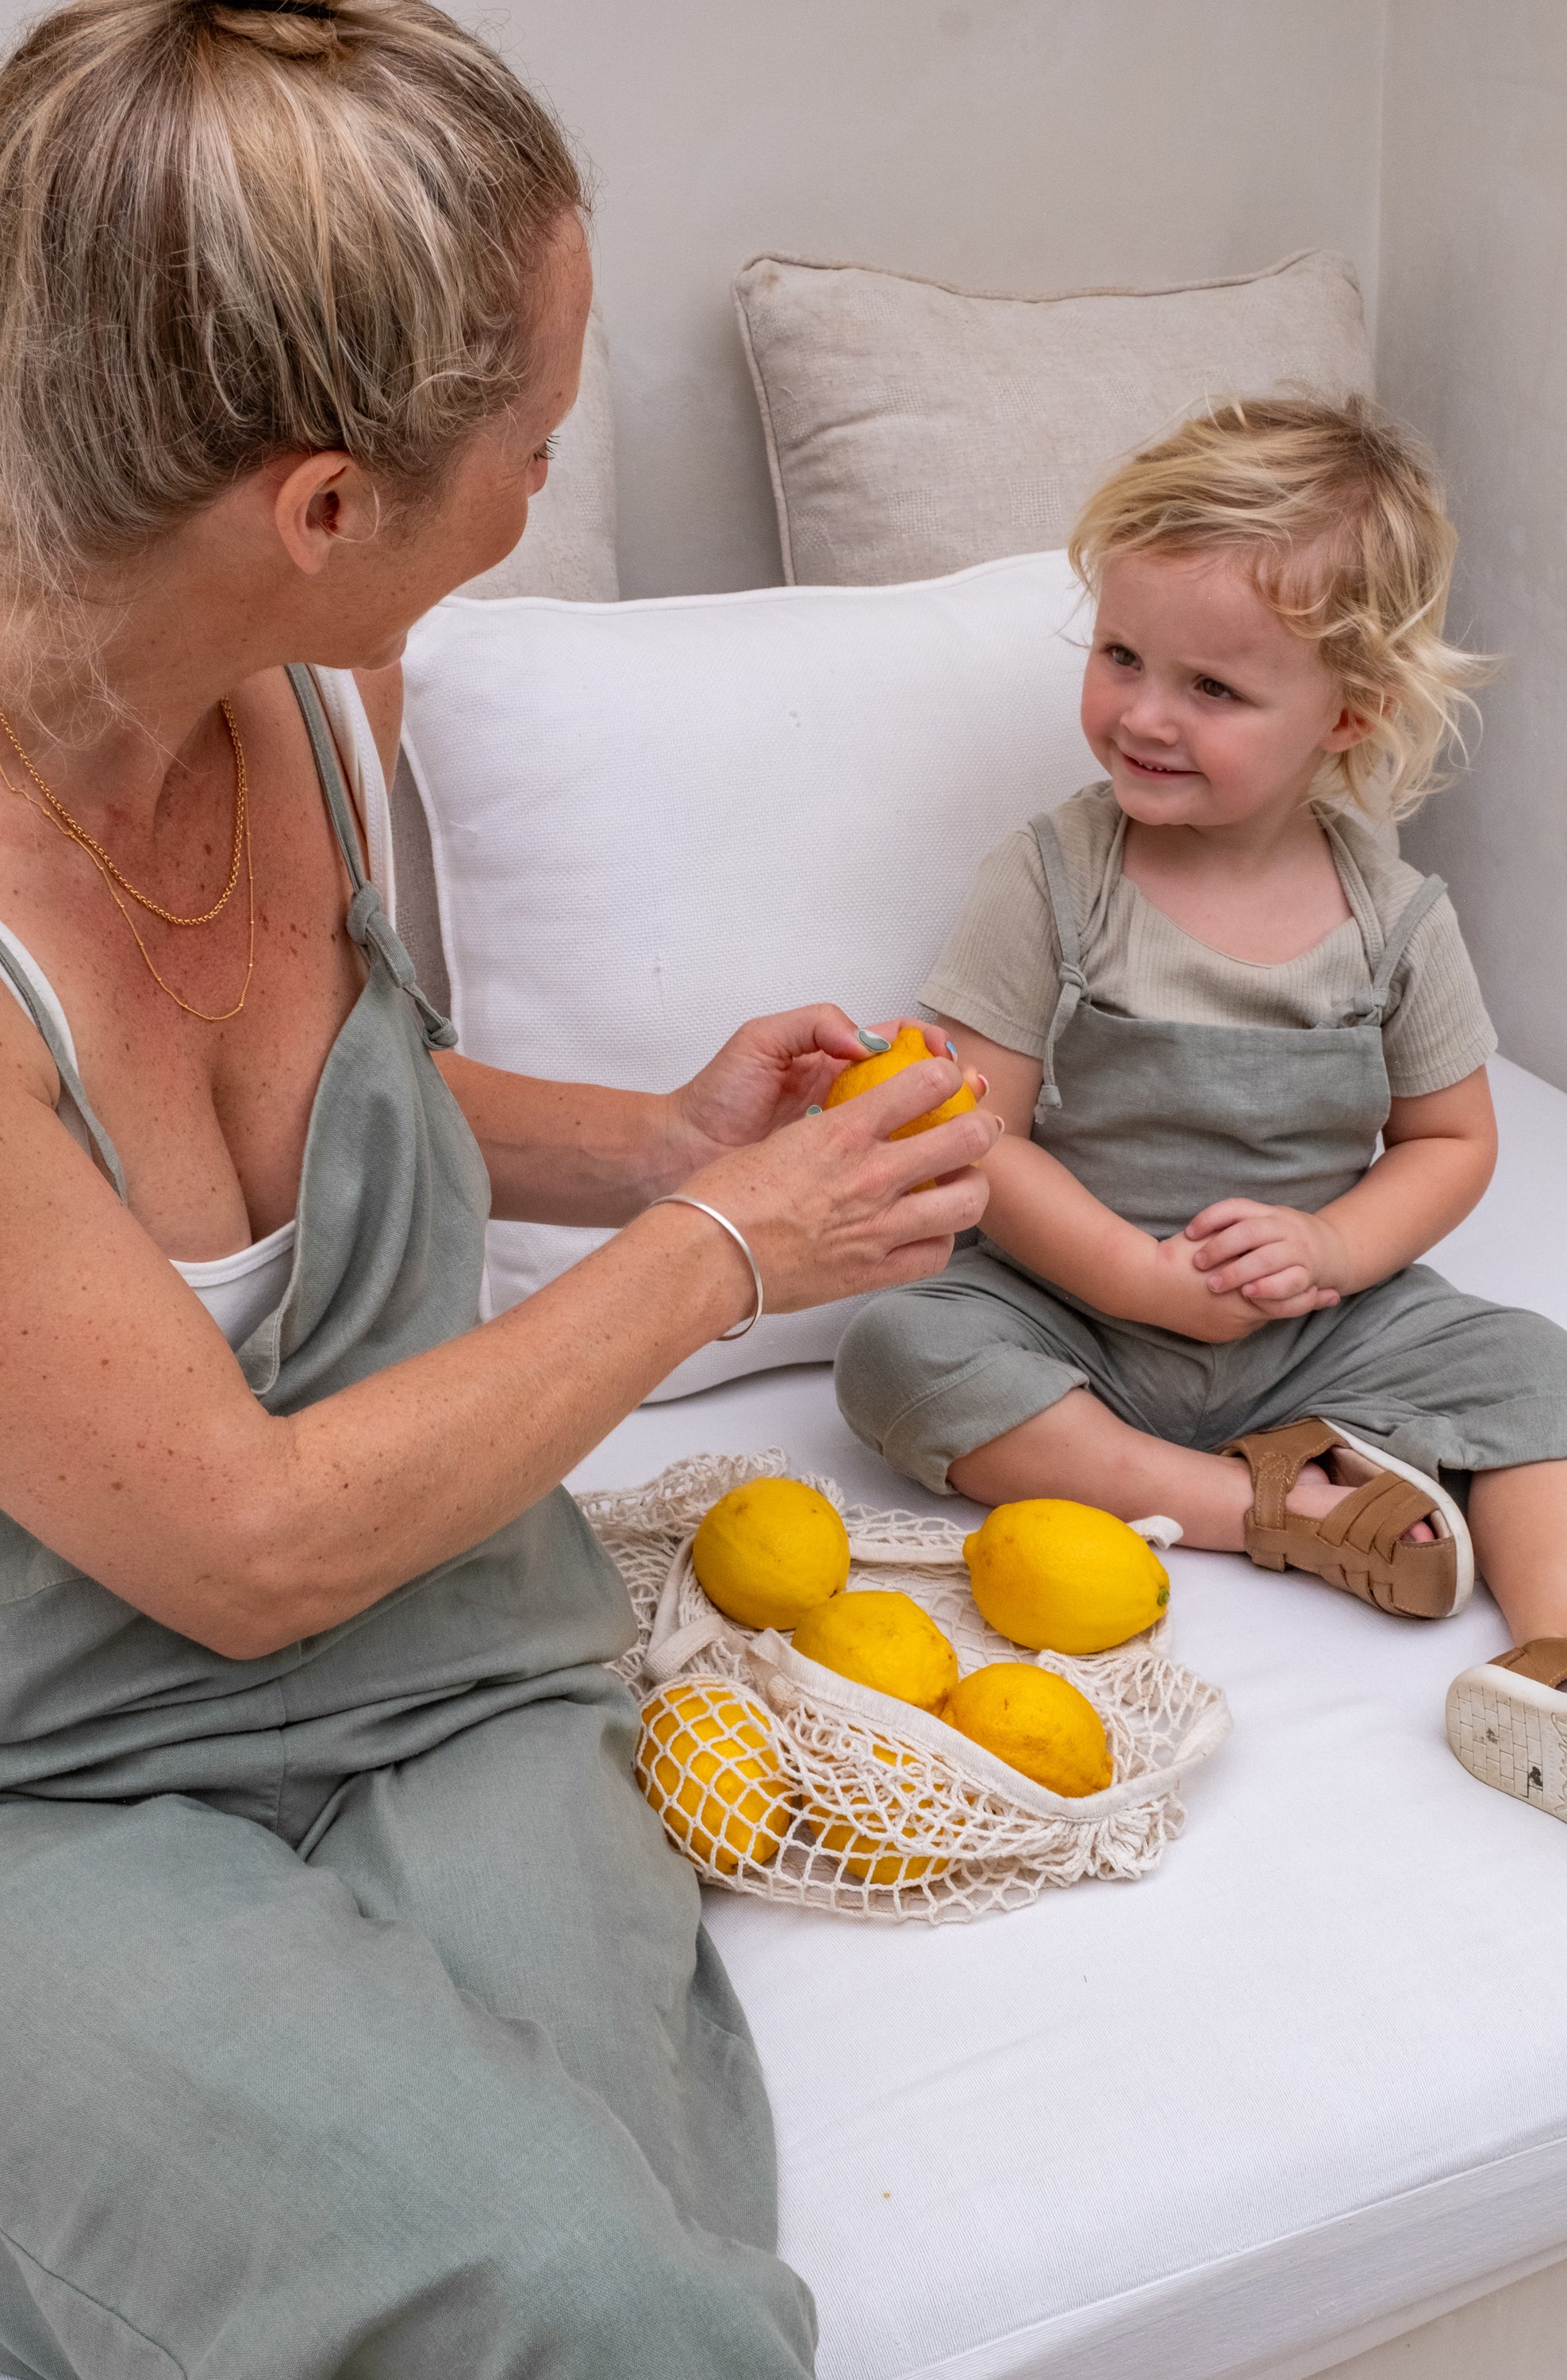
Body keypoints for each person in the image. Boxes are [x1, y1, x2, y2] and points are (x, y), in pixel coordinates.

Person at [0, 1, 997, 2370]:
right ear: (327, 507)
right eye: (533, 439)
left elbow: (336, 1106)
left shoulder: (325, 703)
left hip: (449, 1654)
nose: (548, 475)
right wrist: (717, 1254)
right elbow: (235, 1539)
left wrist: (656, 1139)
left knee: (652, 2266)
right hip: (48, 1777)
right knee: (581, 2299)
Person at [835, 395, 1567, 1832]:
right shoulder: (1054, 878)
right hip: (1081, 1304)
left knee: (1543, 1372)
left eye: (1214, 690)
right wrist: (1133, 1277)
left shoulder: (1396, 916)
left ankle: (1560, 1665)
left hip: (1310, 1321)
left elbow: (1450, 1140)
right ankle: (1265, 1510)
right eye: (1122, 656)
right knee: (895, 1353)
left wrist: (1334, 1253)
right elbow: (971, 1131)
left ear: (1347, 716)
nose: (1144, 714)